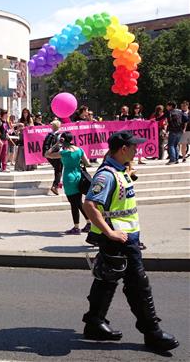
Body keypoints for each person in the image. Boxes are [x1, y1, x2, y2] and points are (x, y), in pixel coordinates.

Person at [81, 131, 179, 352]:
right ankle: (152, 333)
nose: (137, 149)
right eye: (134, 146)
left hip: (126, 237)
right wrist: (110, 233)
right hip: (120, 239)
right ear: (123, 149)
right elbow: (89, 205)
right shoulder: (107, 175)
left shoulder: (119, 170)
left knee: (107, 279)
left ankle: (94, 322)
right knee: (138, 285)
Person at [45, 131, 92, 234]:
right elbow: (87, 163)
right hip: (79, 176)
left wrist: (56, 145)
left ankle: (76, 227)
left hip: (69, 178)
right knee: (79, 202)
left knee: (73, 204)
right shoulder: (79, 150)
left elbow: (47, 154)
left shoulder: (64, 153)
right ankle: (89, 223)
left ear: (63, 140)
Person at [43, 120, 63, 195]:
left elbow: (45, 145)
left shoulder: (49, 135)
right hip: (55, 154)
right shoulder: (59, 135)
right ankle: (55, 186)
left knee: (58, 169)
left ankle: (56, 185)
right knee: (59, 169)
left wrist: (46, 154)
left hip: (48, 154)